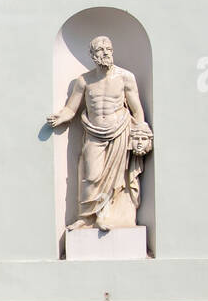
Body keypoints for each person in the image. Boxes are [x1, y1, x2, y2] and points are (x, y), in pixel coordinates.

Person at [46, 36, 152, 231]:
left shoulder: (125, 77)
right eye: (100, 50)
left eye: (108, 49)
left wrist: (140, 133)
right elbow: (72, 108)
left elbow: (137, 110)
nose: (105, 53)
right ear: (92, 55)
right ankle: (86, 218)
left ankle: (103, 215)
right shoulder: (84, 81)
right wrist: (61, 117)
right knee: (90, 174)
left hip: (119, 131)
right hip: (94, 133)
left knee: (114, 177)